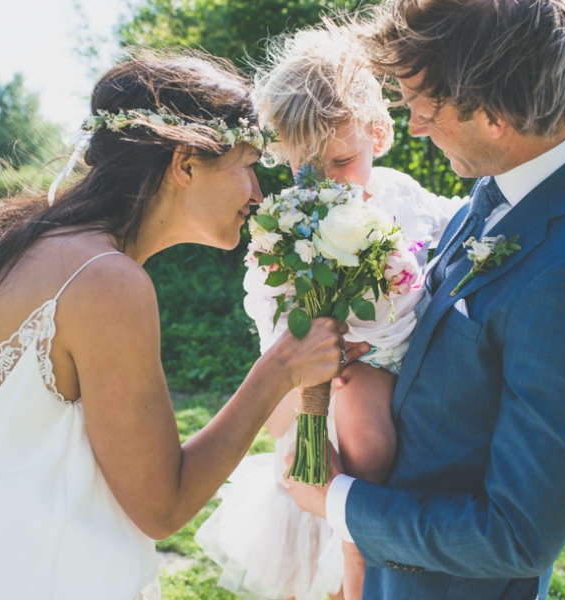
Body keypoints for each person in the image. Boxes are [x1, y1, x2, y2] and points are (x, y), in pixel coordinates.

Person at [0, 52, 350, 600]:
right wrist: (277, 372)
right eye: (248, 163)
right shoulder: (105, 281)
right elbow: (162, 505)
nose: (258, 192)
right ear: (185, 164)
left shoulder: (42, 242)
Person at [287, 1, 565, 599]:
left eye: (424, 109)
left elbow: (517, 535)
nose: (414, 128)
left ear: (496, 115)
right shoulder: (520, 167)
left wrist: (339, 501)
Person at [195, 27, 462, 600]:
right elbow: (270, 303)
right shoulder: (292, 219)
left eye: (342, 160)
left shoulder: (401, 197)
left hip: (389, 360)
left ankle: (357, 560)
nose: (324, 182)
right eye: (303, 168)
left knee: (368, 441)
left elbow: (461, 220)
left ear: (379, 133)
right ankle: (343, 554)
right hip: (327, 370)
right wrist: (307, 353)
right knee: (326, 450)